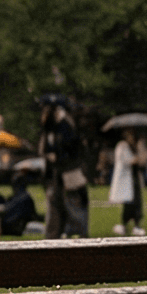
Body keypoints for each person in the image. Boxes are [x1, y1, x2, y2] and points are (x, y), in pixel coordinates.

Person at [37, 96, 91, 238]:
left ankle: (78, 233)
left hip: (69, 172)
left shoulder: (66, 126)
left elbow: (73, 150)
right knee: (55, 205)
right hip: (56, 173)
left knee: (74, 205)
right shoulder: (50, 127)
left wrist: (57, 156)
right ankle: (54, 234)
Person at [108, 130, 147, 235]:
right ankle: (127, 225)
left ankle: (136, 225)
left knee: (136, 203)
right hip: (126, 180)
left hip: (133, 180)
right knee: (129, 204)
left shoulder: (131, 147)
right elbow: (130, 160)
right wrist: (142, 155)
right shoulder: (122, 146)